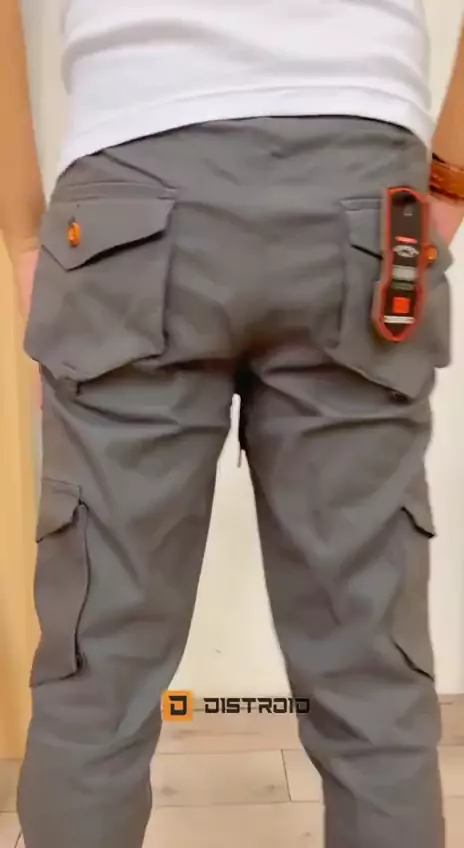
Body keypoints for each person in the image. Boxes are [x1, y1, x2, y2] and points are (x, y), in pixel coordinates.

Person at [1, 2, 464, 847]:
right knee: (371, 681)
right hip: (364, 203)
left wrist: (26, 242)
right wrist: (449, 179)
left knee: (97, 676)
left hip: (126, 200)